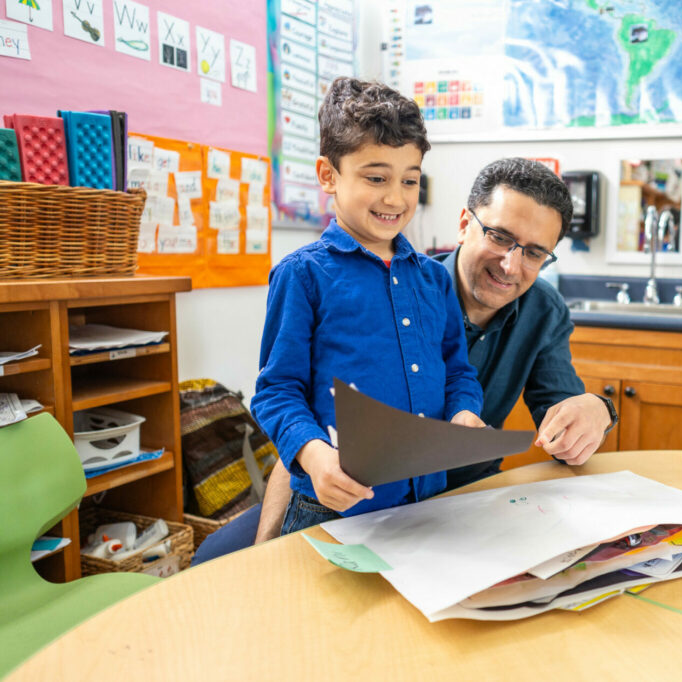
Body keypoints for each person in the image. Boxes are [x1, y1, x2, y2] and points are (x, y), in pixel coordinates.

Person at [193, 158, 616, 564]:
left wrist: (598, 408)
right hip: (348, 494)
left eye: (534, 253)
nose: (511, 265)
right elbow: (297, 406)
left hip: (461, 499)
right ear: (465, 223)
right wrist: (270, 547)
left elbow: (563, 415)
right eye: (500, 237)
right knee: (215, 559)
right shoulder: (388, 288)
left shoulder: (544, 309)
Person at [248, 76, 485, 537]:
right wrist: (315, 456)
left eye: (410, 180)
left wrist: (463, 414)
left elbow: (458, 373)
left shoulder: (434, 279)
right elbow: (276, 392)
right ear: (328, 176)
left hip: (425, 502)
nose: (395, 197)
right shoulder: (303, 275)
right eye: (376, 178)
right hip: (332, 510)